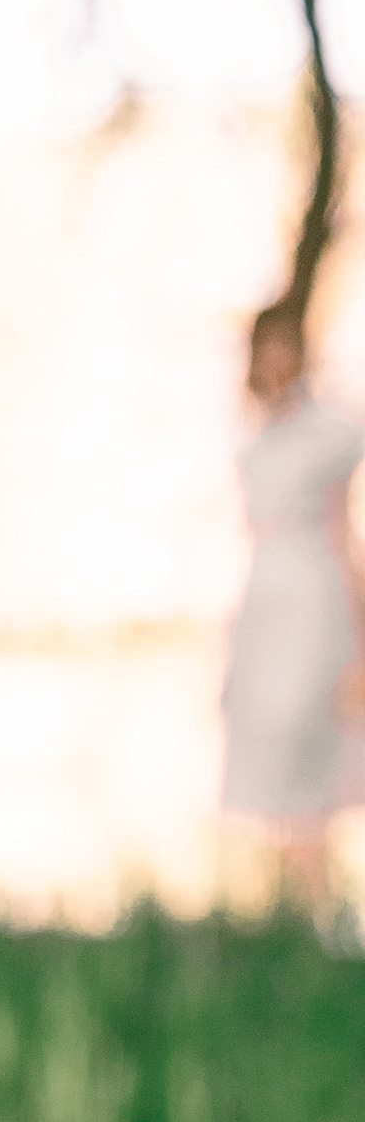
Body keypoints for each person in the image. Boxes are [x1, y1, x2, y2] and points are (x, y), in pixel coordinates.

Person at [222, 301, 365, 921]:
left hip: (315, 604)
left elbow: (341, 532)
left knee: (312, 747)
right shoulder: (252, 439)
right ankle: (294, 912)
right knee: (271, 750)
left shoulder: (330, 435)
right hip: (265, 608)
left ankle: (322, 913)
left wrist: (357, 633)